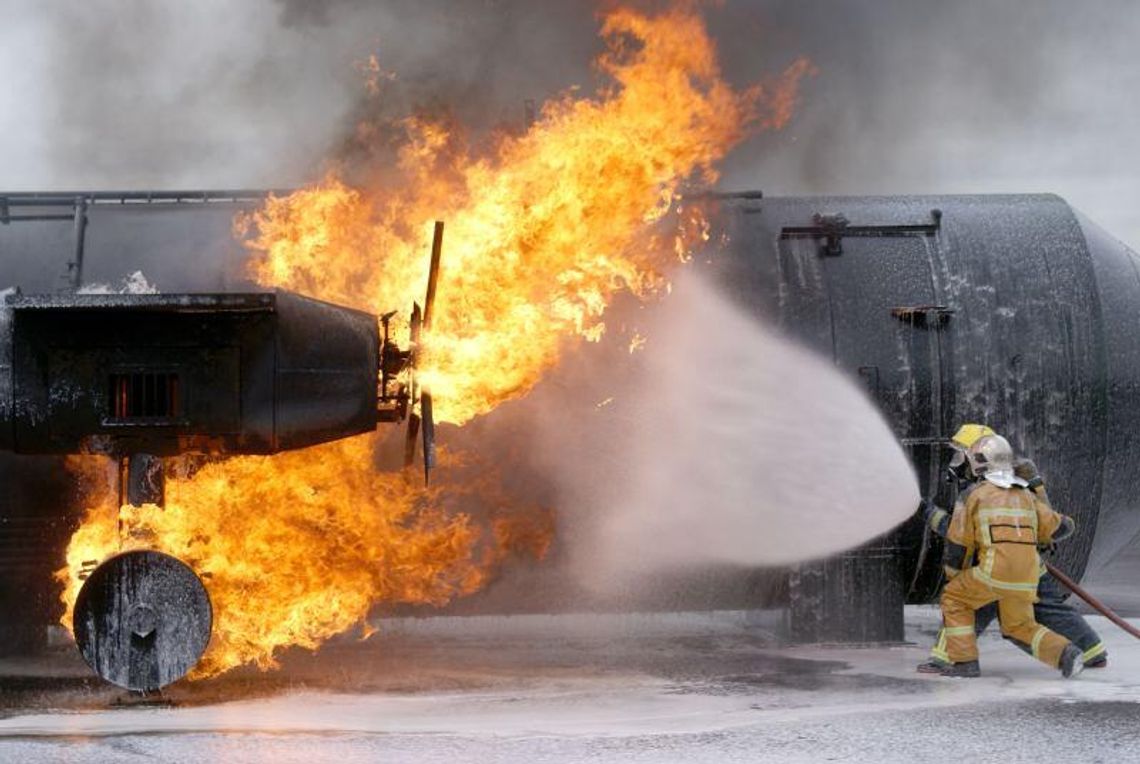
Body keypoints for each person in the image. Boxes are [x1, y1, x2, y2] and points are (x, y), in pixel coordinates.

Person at [917, 425, 1107, 672]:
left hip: (993, 567)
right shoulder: (1022, 490)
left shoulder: (974, 495)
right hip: (1027, 570)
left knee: (960, 599)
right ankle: (1071, 653)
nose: (955, 466)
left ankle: (957, 661)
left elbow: (958, 536)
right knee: (1021, 623)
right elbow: (1057, 526)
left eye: (960, 457)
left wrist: (926, 513)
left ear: (977, 459)